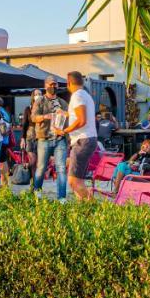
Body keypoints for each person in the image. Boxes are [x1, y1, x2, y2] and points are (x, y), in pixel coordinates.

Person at [55, 71, 98, 201]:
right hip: (88, 139)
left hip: (82, 140)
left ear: (68, 83)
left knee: (73, 181)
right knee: (79, 180)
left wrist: (64, 131)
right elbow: (80, 116)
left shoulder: (77, 96)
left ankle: (95, 207)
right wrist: (66, 113)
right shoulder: (85, 95)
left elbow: (81, 120)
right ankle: (84, 211)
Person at [31, 76, 68, 200]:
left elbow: (70, 116)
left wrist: (64, 115)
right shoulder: (40, 101)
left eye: (56, 84)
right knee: (41, 168)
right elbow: (33, 117)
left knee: (61, 169)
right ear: (45, 85)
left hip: (60, 139)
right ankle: (37, 193)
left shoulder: (62, 102)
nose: (54, 86)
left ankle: (62, 198)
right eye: (51, 84)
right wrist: (46, 116)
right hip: (44, 138)